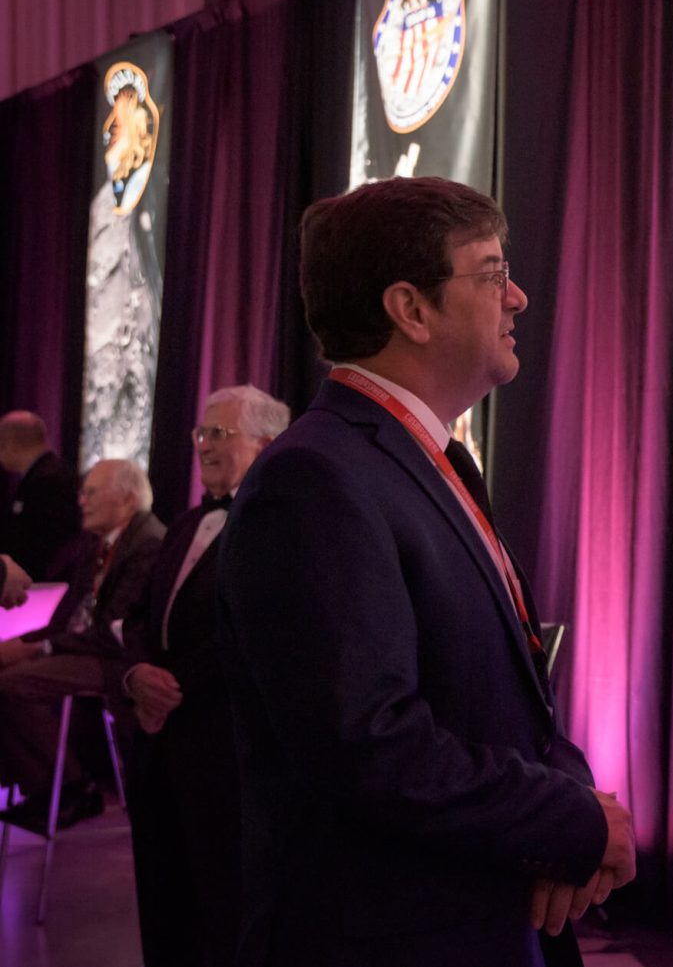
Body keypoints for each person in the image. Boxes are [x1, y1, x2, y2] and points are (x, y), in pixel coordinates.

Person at [217, 176, 635, 967]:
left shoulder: (428, 459)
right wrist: (568, 821)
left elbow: (507, 699)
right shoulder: (311, 481)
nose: (517, 296)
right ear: (411, 309)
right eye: (491, 272)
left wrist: (574, 800)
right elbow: (371, 745)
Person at [121, 384, 290, 967]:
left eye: (220, 433)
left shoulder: (277, 524)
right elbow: (137, 615)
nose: (204, 445)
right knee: (161, 903)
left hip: (224, 753)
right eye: (201, 433)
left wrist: (172, 688)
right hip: (157, 748)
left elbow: (254, 631)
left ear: (265, 445)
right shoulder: (184, 523)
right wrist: (136, 674)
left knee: (222, 909)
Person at [0, 459, 164, 830]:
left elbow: (116, 633)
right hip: (83, 648)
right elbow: (67, 618)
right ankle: (39, 788)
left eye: (91, 492)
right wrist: (24, 642)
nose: (81, 501)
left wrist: (40, 648)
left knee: (10, 684)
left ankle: (72, 788)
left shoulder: (148, 543)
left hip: (116, 660)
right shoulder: (98, 544)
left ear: (126, 498)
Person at [0, 410, 84, 584]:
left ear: (11, 444)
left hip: (40, 584)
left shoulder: (49, 480)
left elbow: (50, 545)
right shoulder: (42, 475)